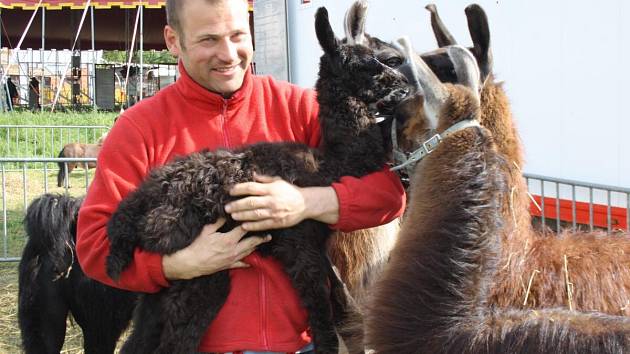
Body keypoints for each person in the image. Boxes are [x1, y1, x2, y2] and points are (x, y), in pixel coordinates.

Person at [75, 0, 405, 353]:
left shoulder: (300, 108)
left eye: (237, 36)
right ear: (173, 40)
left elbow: (387, 194)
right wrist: (175, 265)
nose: (228, 53)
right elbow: (96, 246)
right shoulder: (139, 129)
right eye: (209, 40)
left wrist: (307, 203)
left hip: (300, 344)